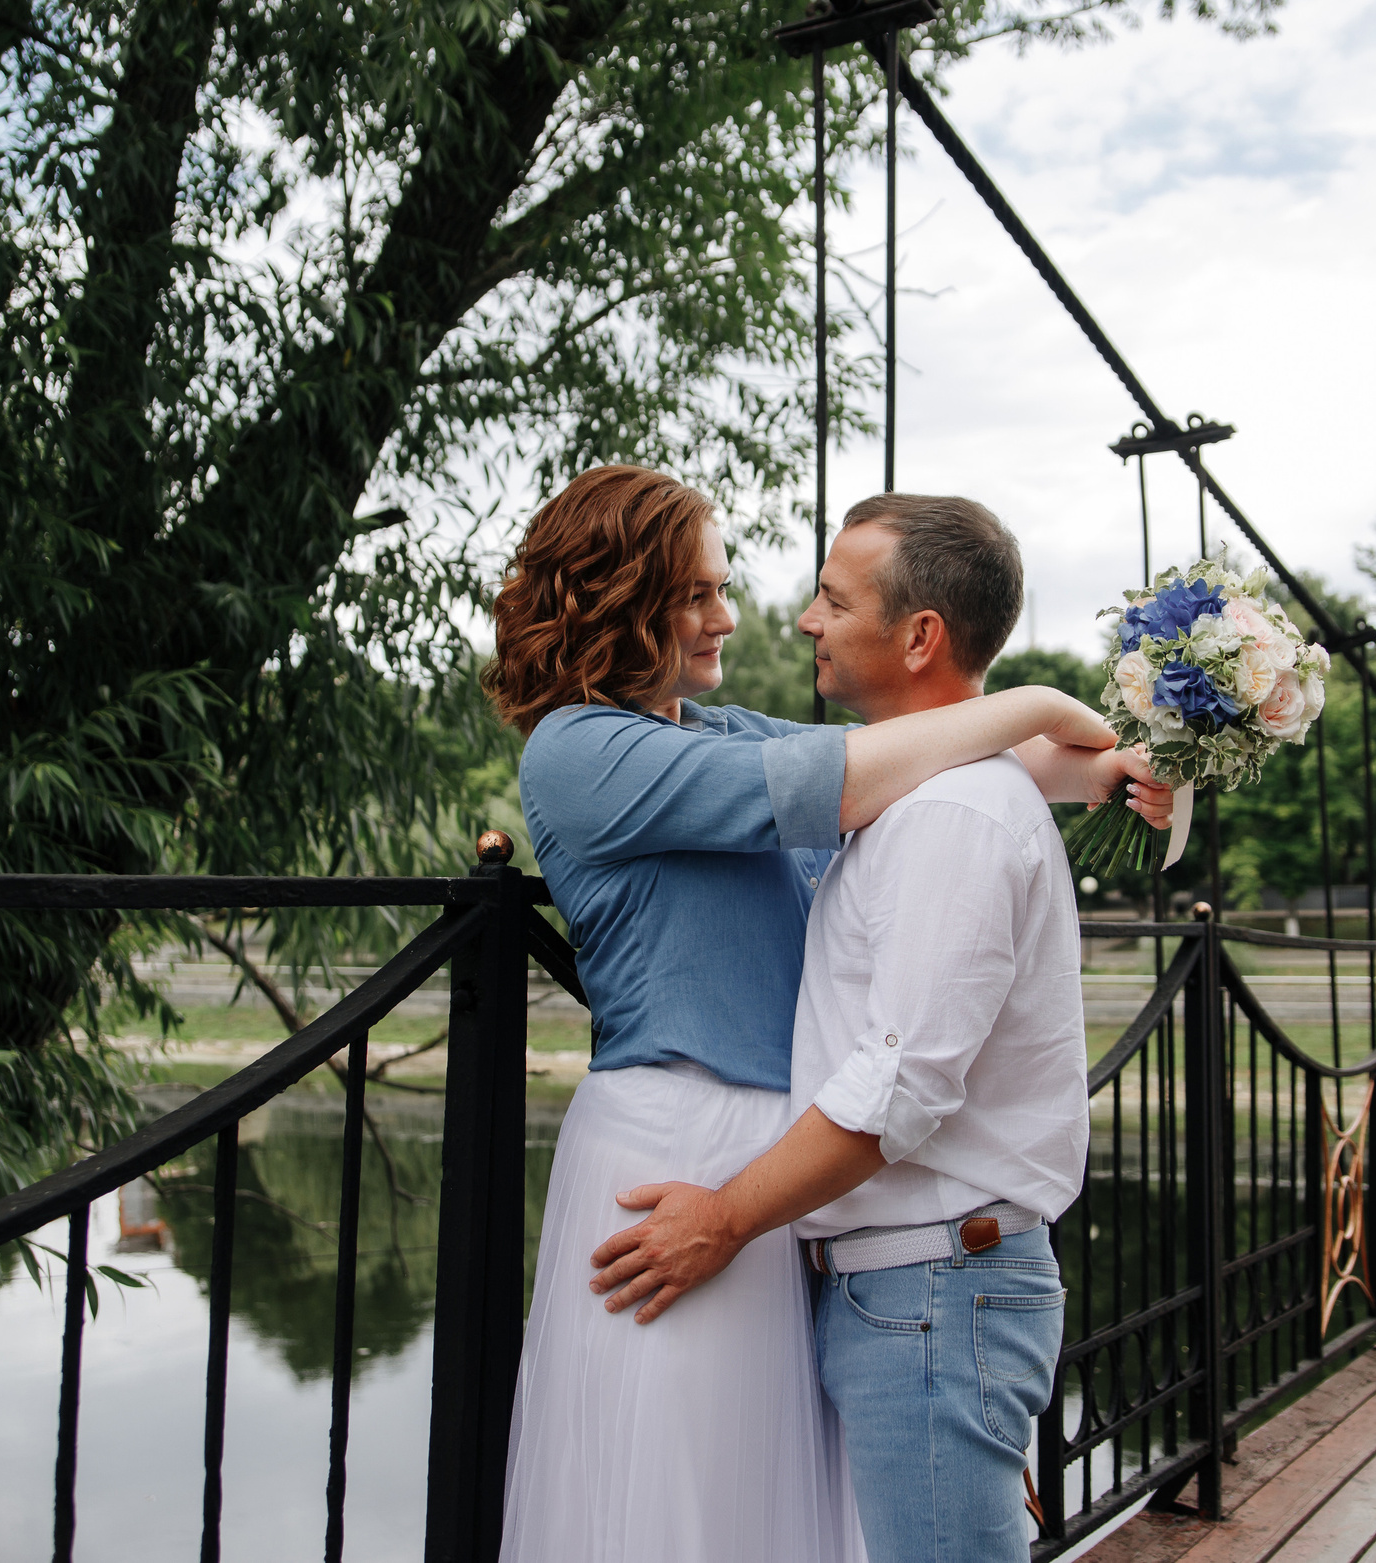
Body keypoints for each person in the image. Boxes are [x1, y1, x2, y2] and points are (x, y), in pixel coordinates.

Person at [486, 468, 1166, 1563]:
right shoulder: (580, 751)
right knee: (678, 1498)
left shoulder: (713, 730)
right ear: (621, 602)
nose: (731, 616)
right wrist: (1040, 702)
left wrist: (1109, 770)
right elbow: (846, 778)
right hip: (675, 1154)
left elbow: (928, 755)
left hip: (779, 1179)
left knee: (776, 1505)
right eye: (698, 595)